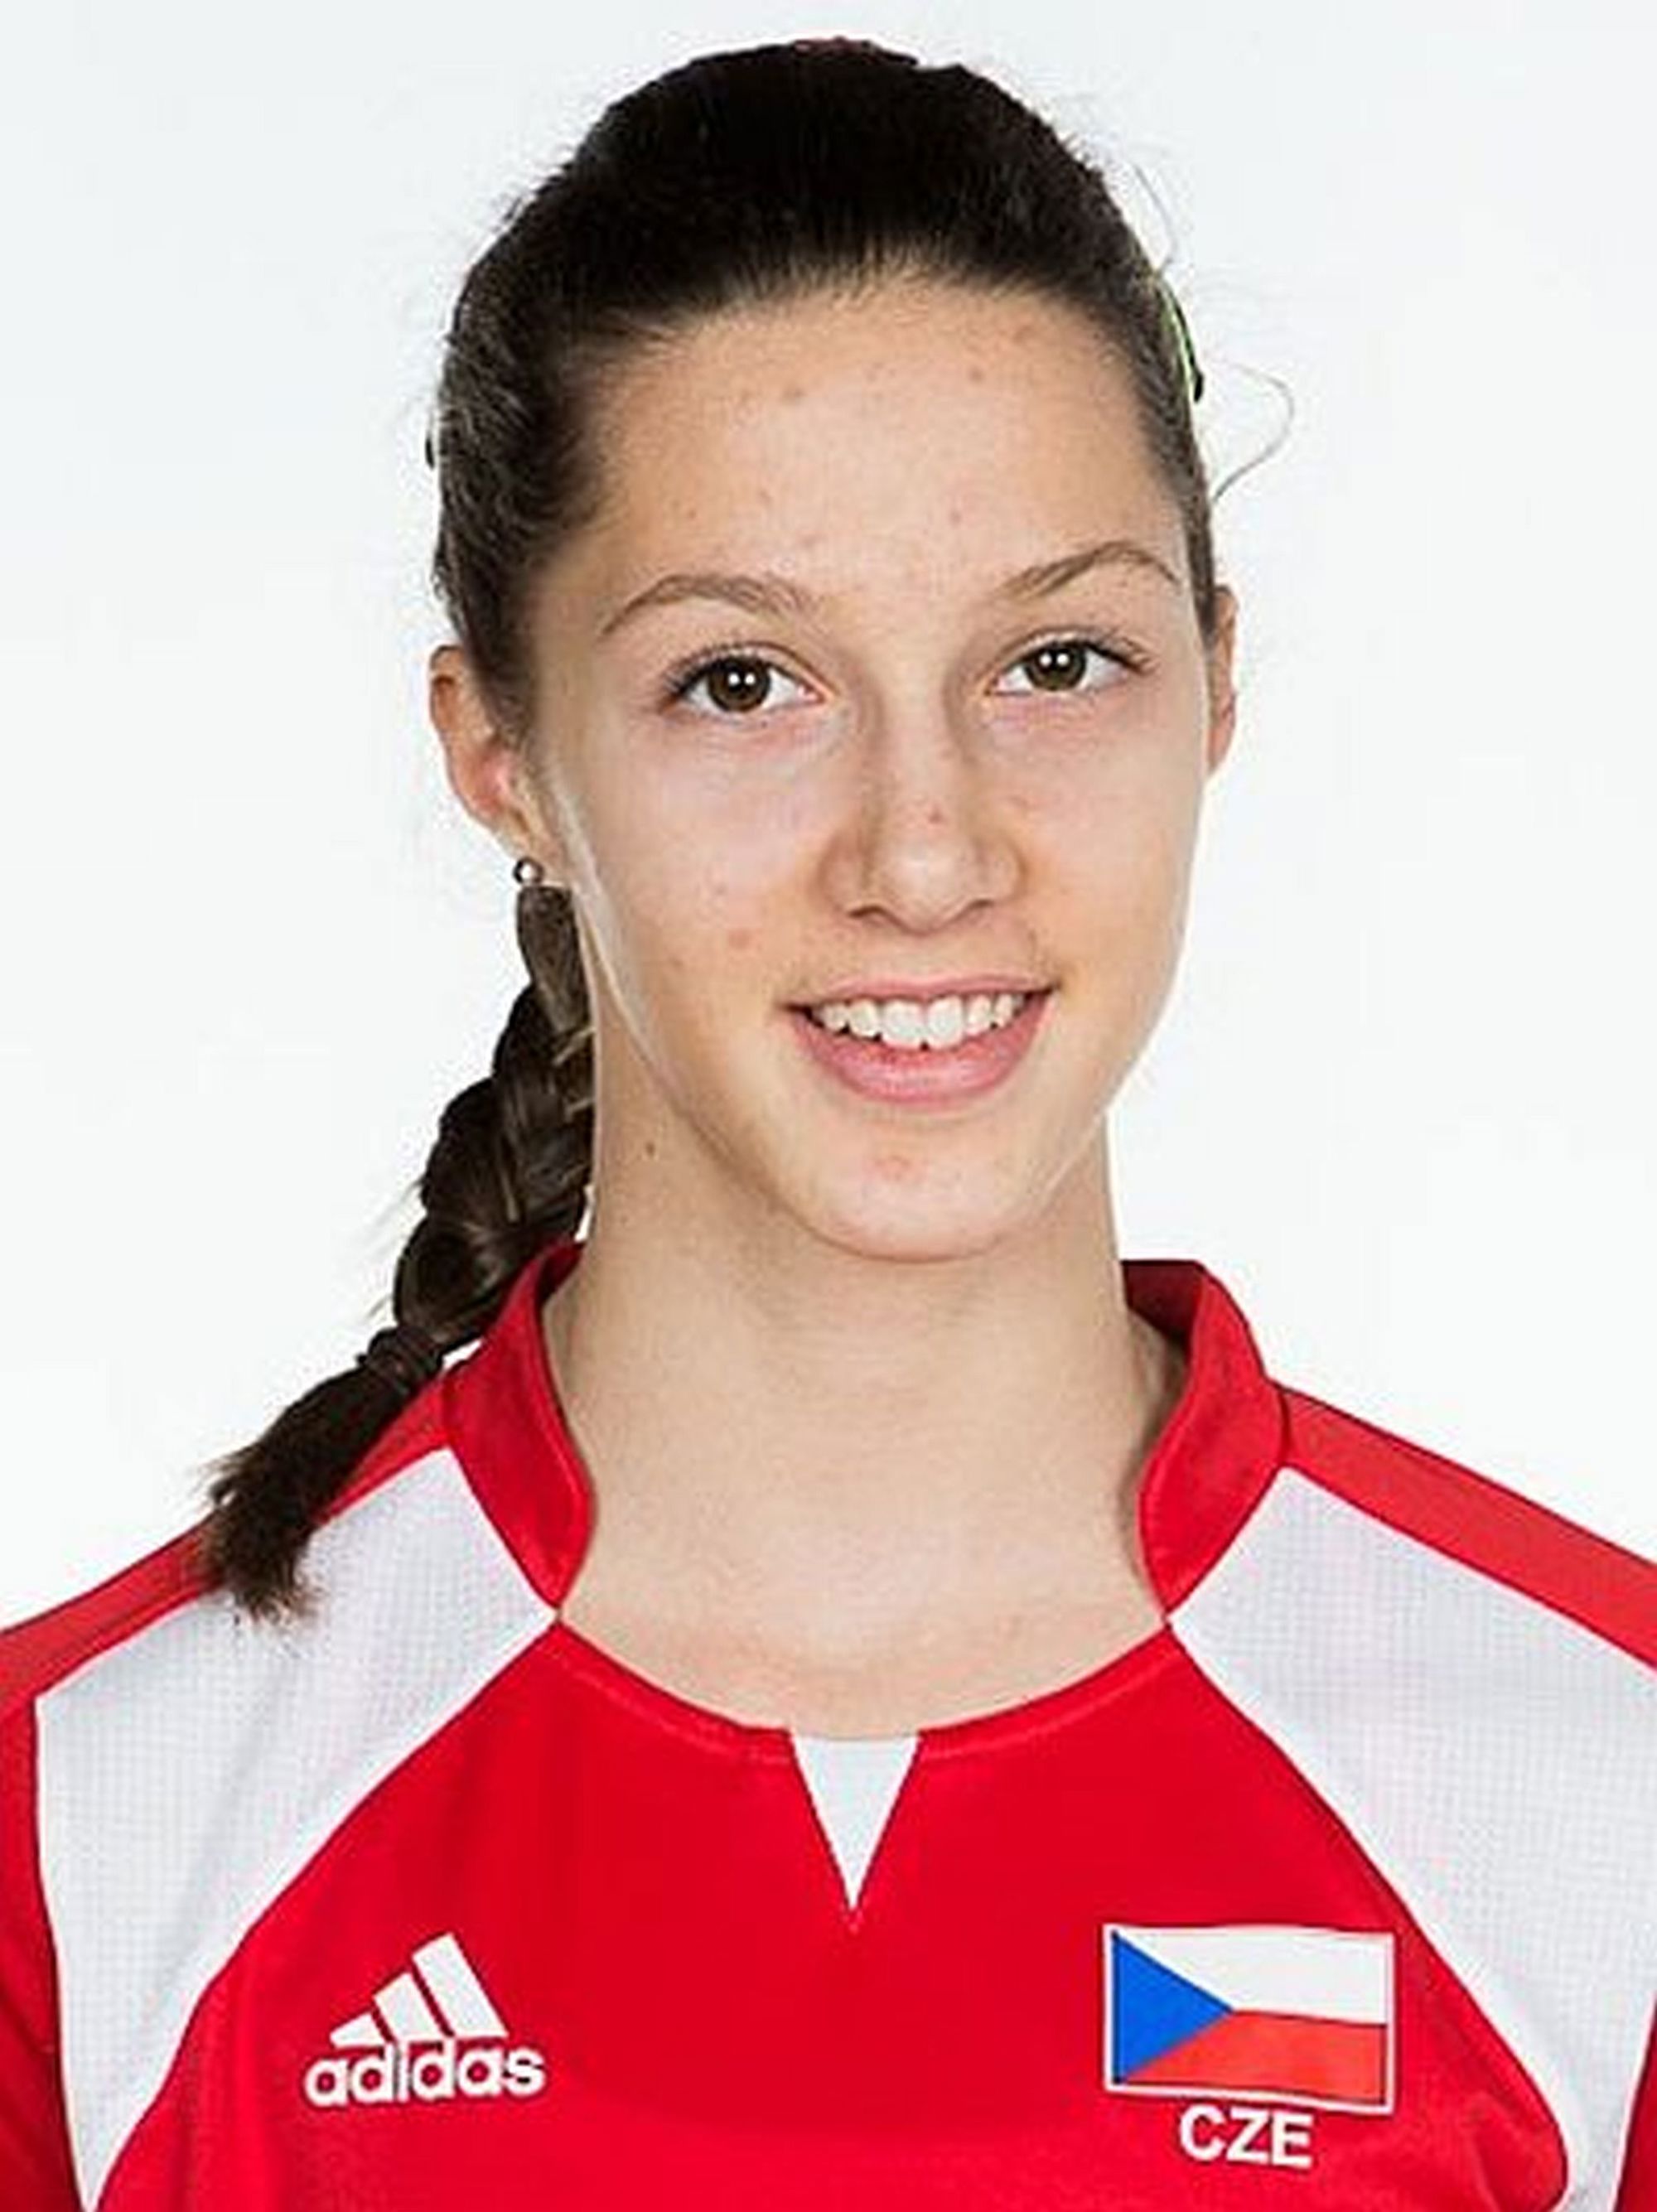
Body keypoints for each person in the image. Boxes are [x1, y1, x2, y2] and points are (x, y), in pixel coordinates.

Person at [1, 35, 1651, 2210]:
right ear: (500, 752)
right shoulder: (87, 1828)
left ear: (1219, 683)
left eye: (1056, 662)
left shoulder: (1593, 1799)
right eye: (742, 682)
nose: (927, 851)